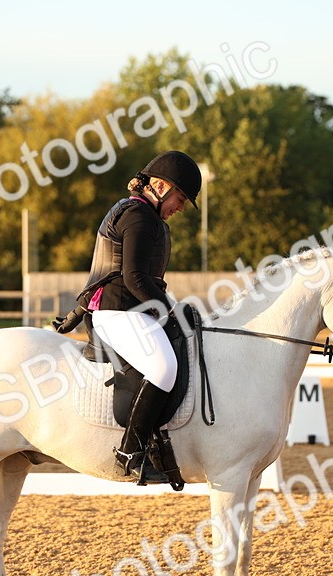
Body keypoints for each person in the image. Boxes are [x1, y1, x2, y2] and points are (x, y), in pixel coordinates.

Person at [61, 150, 202, 482]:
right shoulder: (138, 216)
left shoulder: (145, 216)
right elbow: (134, 279)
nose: (180, 208)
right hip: (118, 311)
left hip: (131, 310)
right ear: (158, 185)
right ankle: (130, 452)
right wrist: (169, 308)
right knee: (164, 367)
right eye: (180, 198)